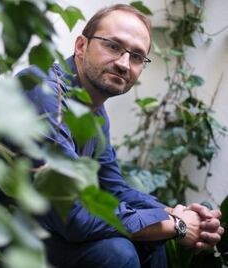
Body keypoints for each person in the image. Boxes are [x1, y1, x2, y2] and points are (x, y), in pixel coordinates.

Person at [17, 4, 224, 267]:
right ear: (81, 46)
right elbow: (73, 214)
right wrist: (176, 225)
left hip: (49, 232)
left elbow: (113, 187)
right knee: (118, 253)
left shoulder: (94, 111)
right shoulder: (42, 91)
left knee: (150, 243)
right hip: (7, 238)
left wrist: (176, 214)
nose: (124, 64)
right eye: (113, 46)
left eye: (137, 56)